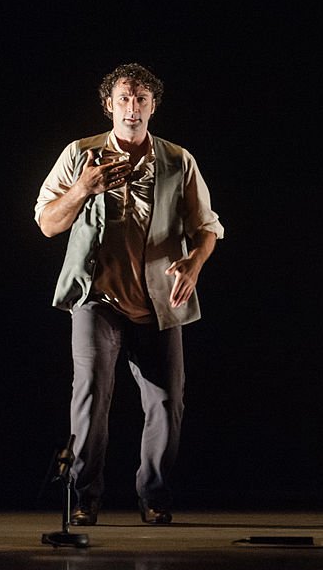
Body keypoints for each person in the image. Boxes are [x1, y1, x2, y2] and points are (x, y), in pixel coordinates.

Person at [34, 63, 224, 526]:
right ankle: (84, 496)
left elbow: (208, 227)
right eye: (124, 99)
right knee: (93, 392)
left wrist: (194, 263)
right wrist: (84, 187)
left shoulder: (178, 160)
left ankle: (154, 494)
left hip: (158, 302)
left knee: (167, 401)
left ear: (153, 106)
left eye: (141, 100)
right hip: (98, 299)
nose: (132, 108)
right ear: (109, 105)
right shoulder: (81, 153)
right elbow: (46, 222)